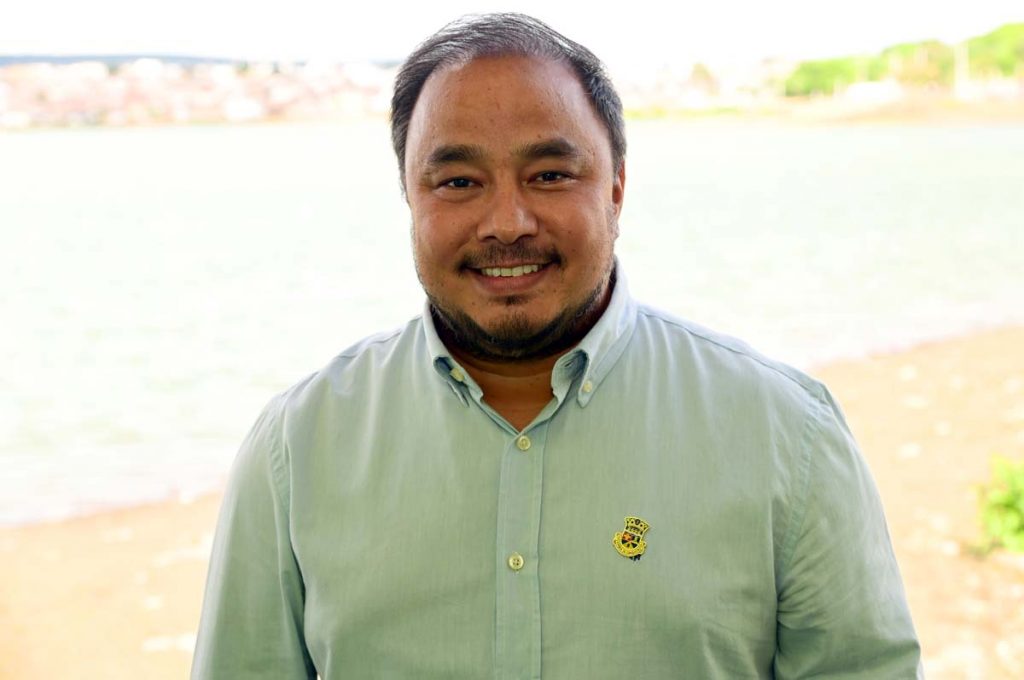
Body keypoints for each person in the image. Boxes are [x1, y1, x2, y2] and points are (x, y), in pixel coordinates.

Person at [192, 13, 922, 679]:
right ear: (410, 197)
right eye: (458, 181)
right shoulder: (299, 448)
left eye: (549, 175)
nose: (506, 222)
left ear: (616, 189)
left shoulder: (784, 431)